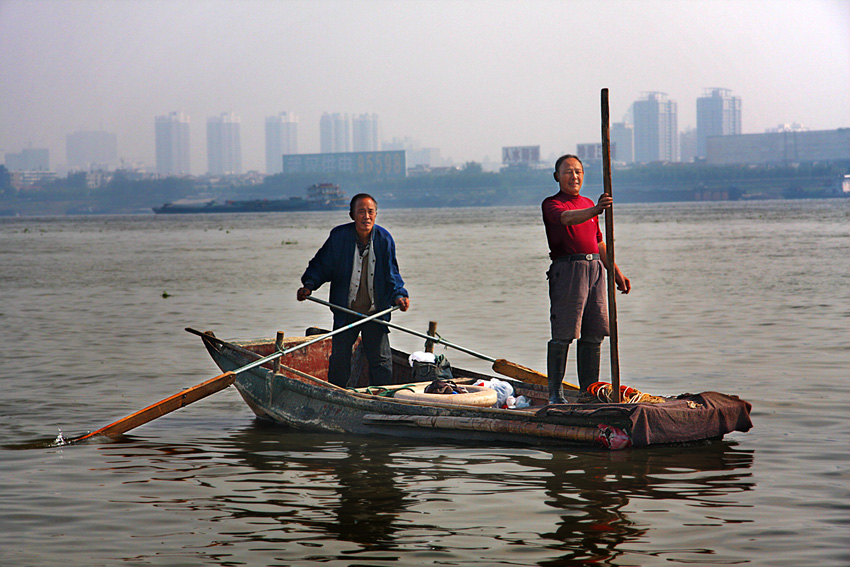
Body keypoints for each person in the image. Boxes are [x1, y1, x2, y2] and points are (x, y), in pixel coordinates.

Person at [542, 154, 631, 403]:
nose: (574, 176)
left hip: (595, 271)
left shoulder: (589, 203)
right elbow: (567, 219)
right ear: (557, 177)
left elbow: (599, 243)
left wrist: (616, 272)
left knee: (594, 333)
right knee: (564, 333)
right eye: (568, 171)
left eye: (578, 171)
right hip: (569, 270)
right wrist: (596, 209)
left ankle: (588, 393)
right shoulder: (552, 204)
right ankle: (555, 395)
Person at [297, 193, 410, 387]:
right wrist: (309, 285)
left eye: (370, 212)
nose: (366, 216)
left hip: (375, 313)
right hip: (346, 312)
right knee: (340, 358)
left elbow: (392, 274)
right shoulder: (339, 237)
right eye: (361, 212)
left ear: (376, 215)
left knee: (382, 362)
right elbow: (322, 265)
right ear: (352, 215)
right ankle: (337, 393)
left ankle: (380, 398)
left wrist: (400, 295)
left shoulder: (384, 240)